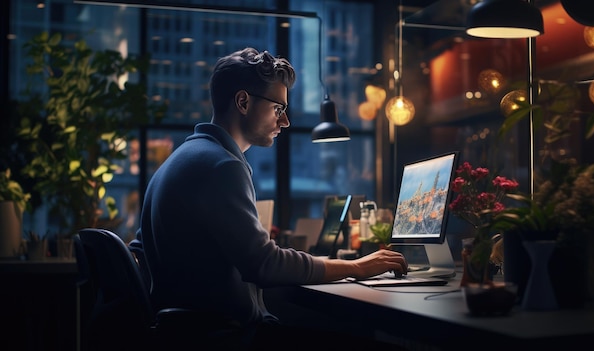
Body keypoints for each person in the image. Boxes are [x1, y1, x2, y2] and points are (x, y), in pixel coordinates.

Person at [130, 48, 408, 350]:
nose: (285, 121)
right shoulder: (221, 165)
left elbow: (140, 250)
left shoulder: (180, 159)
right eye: (278, 108)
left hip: (193, 334)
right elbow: (263, 264)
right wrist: (355, 267)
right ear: (243, 102)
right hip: (233, 338)